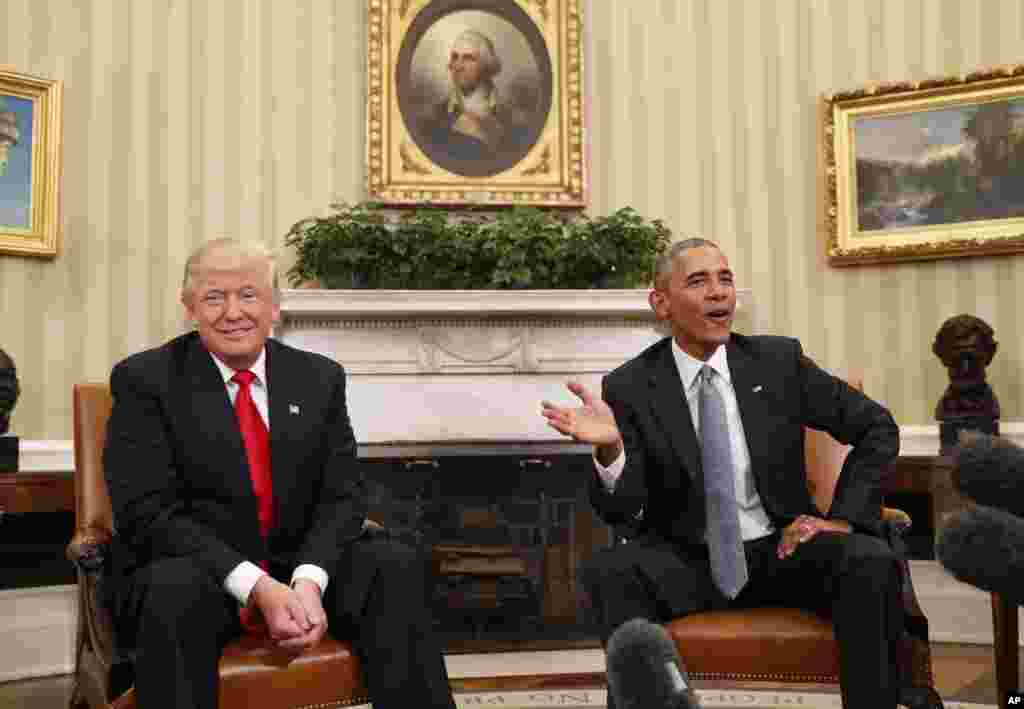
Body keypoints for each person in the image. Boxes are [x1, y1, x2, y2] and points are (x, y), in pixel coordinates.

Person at [541, 238, 904, 709]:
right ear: (662, 303)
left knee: (867, 559)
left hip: (784, 548)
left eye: (725, 279)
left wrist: (843, 519)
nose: (718, 293)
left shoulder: (778, 363)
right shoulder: (630, 385)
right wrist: (611, 449)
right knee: (609, 572)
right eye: (698, 281)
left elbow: (877, 427)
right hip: (688, 559)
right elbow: (623, 510)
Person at [102, 238, 456, 709]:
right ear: (189, 309)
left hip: (297, 566)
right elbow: (147, 515)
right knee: (170, 592)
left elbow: (343, 496)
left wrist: (308, 581)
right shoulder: (145, 380)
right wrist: (257, 587)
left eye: (248, 295)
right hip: (201, 573)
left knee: (393, 565)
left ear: (275, 308)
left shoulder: (319, 377)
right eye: (214, 297)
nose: (233, 312)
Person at [422, 29, 532, 172]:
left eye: (468, 58)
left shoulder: (514, 118)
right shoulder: (434, 117)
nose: (458, 66)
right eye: (455, 57)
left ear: (486, 65)